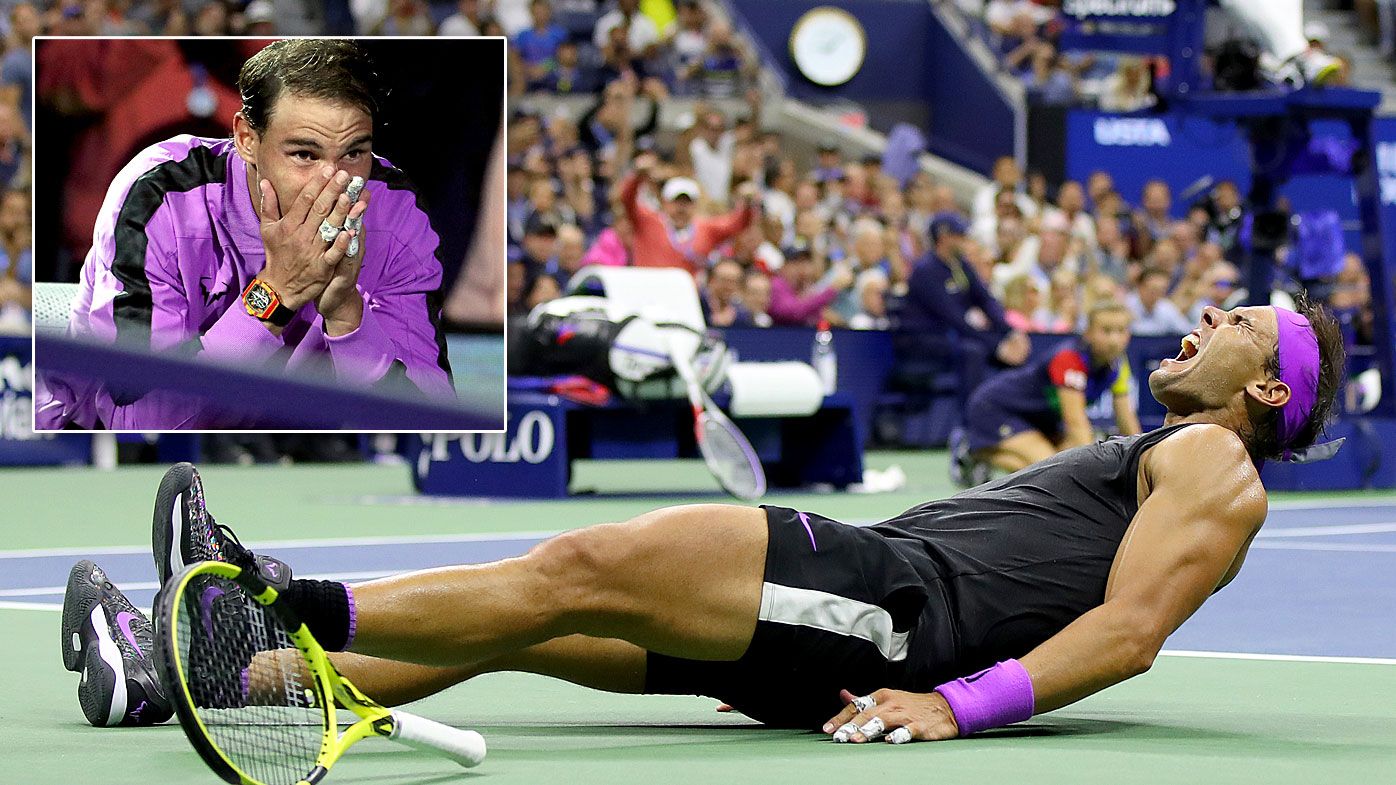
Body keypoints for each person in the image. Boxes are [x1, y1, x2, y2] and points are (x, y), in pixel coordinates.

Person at [67, 300, 1345, 742]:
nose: (1205, 319)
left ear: (1267, 385)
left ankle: (264, 600)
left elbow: (1126, 633)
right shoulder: (1166, 449)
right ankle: (199, 676)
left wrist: (958, 704)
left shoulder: (1217, 466)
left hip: (889, 609)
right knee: (533, 616)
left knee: (573, 561)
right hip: (865, 607)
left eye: (1236, 321)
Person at [34, 39, 456, 430]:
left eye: (354, 153)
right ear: (246, 139)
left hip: (289, 456)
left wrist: (348, 316)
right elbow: (137, 420)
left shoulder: (396, 210)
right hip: (101, 457)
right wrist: (276, 293)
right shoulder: (157, 195)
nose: (334, 181)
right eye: (305, 154)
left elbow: (435, 424)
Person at [952, 301, 1142, 486]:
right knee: (1049, 470)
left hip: (1041, 420)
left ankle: (981, 454)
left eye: (1121, 331)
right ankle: (974, 450)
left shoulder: (1118, 364)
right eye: (1106, 331)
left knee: (1056, 467)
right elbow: (1075, 422)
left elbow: (1127, 421)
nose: (1114, 340)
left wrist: (1142, 463)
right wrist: (1093, 480)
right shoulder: (1069, 359)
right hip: (996, 408)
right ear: (1088, 333)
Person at [898, 212, 1030, 395]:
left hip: (953, 335)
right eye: (959, 236)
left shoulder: (960, 265)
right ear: (944, 238)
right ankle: (970, 418)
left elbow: (985, 300)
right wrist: (996, 346)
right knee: (974, 351)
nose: (964, 240)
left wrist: (1010, 332)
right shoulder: (925, 271)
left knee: (1015, 348)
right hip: (924, 338)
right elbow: (953, 317)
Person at [619, 152, 754, 274]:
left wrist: (748, 204)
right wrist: (637, 176)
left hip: (686, 298)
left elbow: (737, 224)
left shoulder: (706, 229)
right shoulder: (648, 221)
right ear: (665, 202)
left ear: (695, 205)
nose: (681, 208)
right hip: (648, 293)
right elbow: (627, 199)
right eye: (676, 202)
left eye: (687, 203)